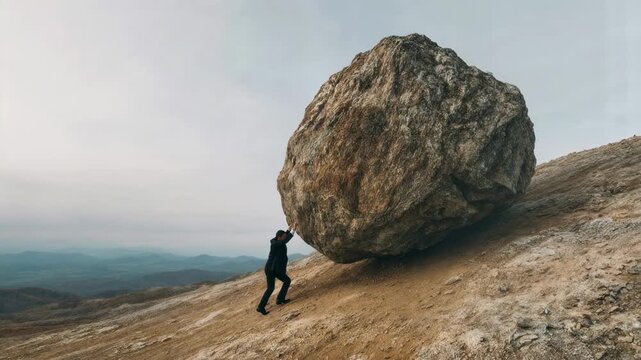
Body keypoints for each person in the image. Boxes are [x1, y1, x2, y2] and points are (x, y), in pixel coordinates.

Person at [256, 222, 298, 315]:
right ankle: (260, 307)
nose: (284, 237)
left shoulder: (278, 240)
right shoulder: (275, 244)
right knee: (270, 288)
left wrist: (289, 228)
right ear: (279, 237)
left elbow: (285, 236)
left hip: (276, 269)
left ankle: (280, 299)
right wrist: (294, 230)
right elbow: (285, 240)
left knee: (287, 281)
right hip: (271, 269)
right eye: (283, 237)